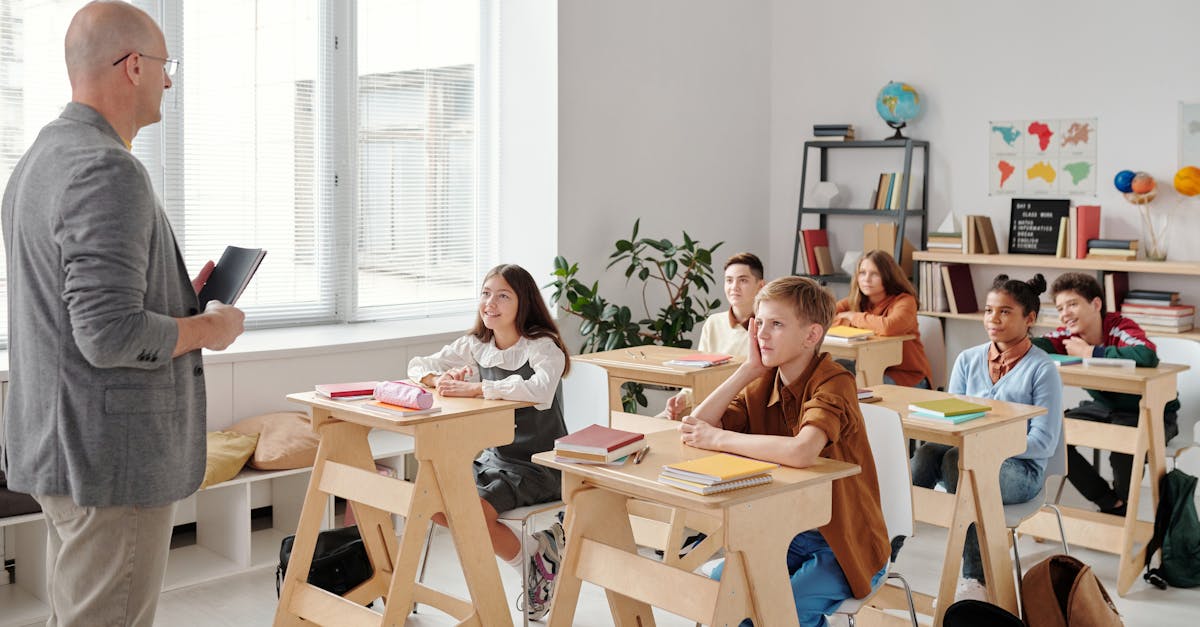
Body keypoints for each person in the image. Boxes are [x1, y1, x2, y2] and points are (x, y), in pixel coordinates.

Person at [0, 3, 246, 625]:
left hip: (58, 447)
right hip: (110, 459)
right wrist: (206, 329)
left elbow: (72, 304)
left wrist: (171, 296)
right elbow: (107, 335)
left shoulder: (40, 160)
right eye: (165, 66)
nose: (168, 80)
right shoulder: (108, 169)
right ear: (133, 66)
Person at [680, 276, 889, 627]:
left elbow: (803, 450)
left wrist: (717, 439)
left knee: (779, 616)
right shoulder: (763, 382)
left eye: (776, 324)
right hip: (785, 535)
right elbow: (694, 427)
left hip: (844, 544)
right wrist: (747, 370)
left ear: (811, 335)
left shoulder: (835, 381)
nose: (761, 334)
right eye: (758, 323)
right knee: (720, 599)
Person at [407, 263, 570, 620]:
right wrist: (441, 378)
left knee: (473, 515)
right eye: (485, 293)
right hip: (496, 459)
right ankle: (534, 556)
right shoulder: (477, 345)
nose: (489, 303)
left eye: (502, 295)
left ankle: (533, 563)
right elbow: (417, 365)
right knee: (431, 503)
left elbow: (540, 390)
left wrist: (478, 388)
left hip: (540, 463)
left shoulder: (543, 347)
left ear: (523, 302)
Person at [910, 274, 1063, 601]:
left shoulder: (1042, 369)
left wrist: (987, 449)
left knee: (958, 461)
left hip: (1022, 472)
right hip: (970, 461)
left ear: (1030, 319)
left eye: (1005, 312)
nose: (993, 319)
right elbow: (949, 424)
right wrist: (973, 448)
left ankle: (974, 579)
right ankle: (880, 557)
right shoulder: (967, 359)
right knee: (926, 454)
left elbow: (1044, 443)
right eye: (989, 310)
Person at [1031, 272, 1180, 517]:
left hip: (1153, 413)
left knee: (1125, 446)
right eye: (1060, 308)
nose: (1065, 314)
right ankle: (1109, 502)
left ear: (1096, 304)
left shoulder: (1120, 327)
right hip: (1105, 408)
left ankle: (1121, 515)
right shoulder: (1067, 335)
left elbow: (1146, 356)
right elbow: (1036, 345)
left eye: (1072, 304)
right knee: (1051, 435)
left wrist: (1092, 352)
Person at [662, 252, 766, 420]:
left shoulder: (766, 327)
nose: (734, 287)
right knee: (650, 426)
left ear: (761, 286)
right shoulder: (713, 323)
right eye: (729, 280)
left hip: (743, 409)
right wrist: (683, 397)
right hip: (704, 402)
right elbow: (700, 371)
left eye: (743, 280)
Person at [833, 249, 933, 388]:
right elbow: (824, 317)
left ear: (887, 276)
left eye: (874, 274)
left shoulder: (905, 301)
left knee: (858, 384)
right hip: (869, 366)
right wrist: (850, 319)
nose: (866, 279)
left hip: (907, 376)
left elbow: (889, 327)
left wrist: (852, 317)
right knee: (831, 370)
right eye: (862, 273)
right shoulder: (856, 300)